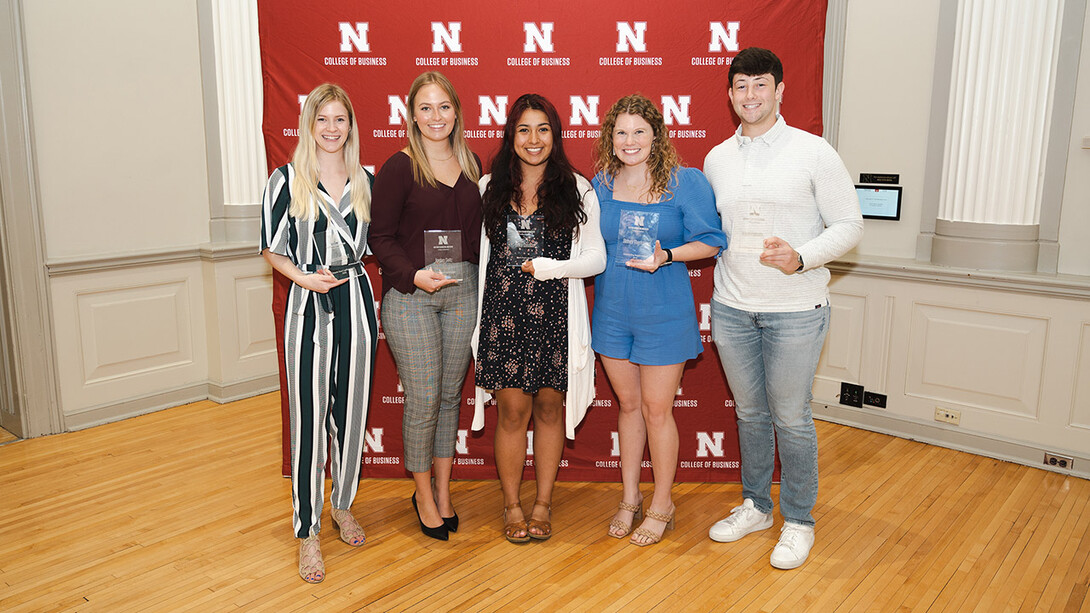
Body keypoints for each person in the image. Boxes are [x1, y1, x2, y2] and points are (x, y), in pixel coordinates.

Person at [703, 47, 863, 570]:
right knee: (750, 413)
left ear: (779, 90)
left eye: (760, 85)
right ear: (730, 95)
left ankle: (798, 519)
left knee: (791, 418)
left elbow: (849, 226)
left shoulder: (814, 151)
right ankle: (755, 504)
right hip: (731, 307)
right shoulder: (716, 159)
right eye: (741, 86)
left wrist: (801, 257)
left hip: (796, 309)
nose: (750, 95)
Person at [592, 94, 726, 546]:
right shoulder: (601, 183)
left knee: (656, 410)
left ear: (657, 136)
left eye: (639, 132)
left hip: (664, 313)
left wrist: (667, 255)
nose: (630, 141)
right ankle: (629, 498)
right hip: (611, 313)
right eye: (621, 132)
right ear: (611, 138)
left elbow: (711, 241)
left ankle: (662, 502)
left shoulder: (685, 181)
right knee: (628, 408)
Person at [471, 94, 606, 543]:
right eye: (524, 129)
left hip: (555, 315)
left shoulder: (577, 188)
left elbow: (597, 259)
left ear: (556, 134)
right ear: (511, 134)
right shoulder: (488, 186)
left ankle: (543, 503)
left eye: (543, 129)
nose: (534, 139)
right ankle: (511, 504)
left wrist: (557, 268)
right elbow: (474, 255)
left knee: (550, 407)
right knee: (511, 411)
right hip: (504, 313)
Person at [260, 83, 378, 583]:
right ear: (309, 125)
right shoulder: (285, 179)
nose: (331, 128)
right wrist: (304, 278)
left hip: (355, 297)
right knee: (308, 421)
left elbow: (381, 242)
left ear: (351, 125)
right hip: (307, 300)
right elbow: (271, 247)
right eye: (322, 119)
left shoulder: (367, 179)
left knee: (351, 418)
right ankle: (307, 530)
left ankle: (342, 504)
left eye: (340, 119)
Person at [370, 72, 482, 542]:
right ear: (411, 114)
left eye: (444, 107)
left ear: (456, 110)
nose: (436, 117)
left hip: (462, 291)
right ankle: (420, 493)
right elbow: (380, 238)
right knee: (424, 398)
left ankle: (442, 487)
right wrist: (414, 275)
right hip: (412, 295)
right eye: (425, 108)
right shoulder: (399, 167)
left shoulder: (473, 163)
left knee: (451, 397)